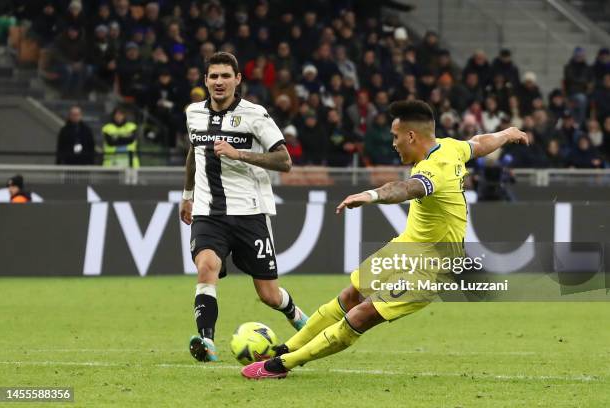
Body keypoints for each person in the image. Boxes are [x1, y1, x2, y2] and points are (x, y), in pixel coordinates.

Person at [242, 100, 528, 379]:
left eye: (395, 136)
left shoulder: (434, 169)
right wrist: (507, 134)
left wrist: (371, 195)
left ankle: (282, 364)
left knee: (361, 314)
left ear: (411, 135)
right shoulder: (451, 147)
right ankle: (286, 347)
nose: (393, 143)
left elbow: (405, 188)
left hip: (432, 268)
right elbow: (478, 144)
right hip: (404, 249)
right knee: (349, 296)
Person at [179, 52, 308, 362]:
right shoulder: (193, 113)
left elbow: (284, 161)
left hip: (250, 213)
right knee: (206, 267)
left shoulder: (255, 115)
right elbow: (194, 152)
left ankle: (299, 318)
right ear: (205, 81)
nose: (219, 82)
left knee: (269, 295)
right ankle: (207, 342)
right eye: (213, 76)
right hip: (209, 212)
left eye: (226, 76)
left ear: (238, 79)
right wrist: (187, 194)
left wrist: (240, 155)